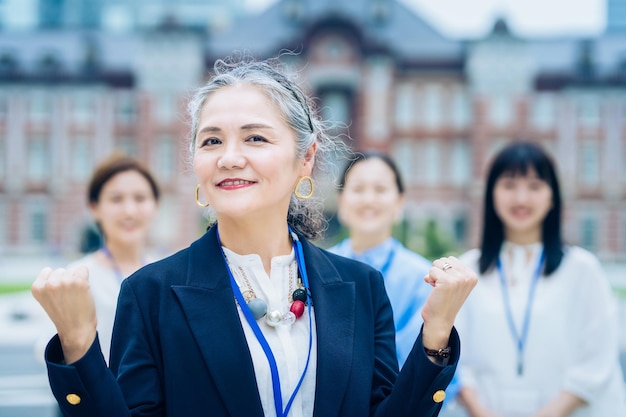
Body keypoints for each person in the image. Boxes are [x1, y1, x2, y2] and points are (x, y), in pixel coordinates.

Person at [31, 56, 477, 417]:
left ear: (306, 159)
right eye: (210, 142)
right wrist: (77, 344)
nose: (229, 158)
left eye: (255, 138)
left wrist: (435, 335)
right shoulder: (151, 295)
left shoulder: (360, 287)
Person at [456, 141, 626, 417]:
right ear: (491, 194)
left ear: (552, 197)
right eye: (509, 185)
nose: (521, 199)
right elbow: (454, 356)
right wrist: (478, 410)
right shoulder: (467, 271)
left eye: (535, 186)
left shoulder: (582, 270)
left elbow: (597, 360)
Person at [328, 151, 461, 411]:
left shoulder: (423, 278)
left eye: (380, 189)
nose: (368, 199)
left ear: (399, 202)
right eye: (357, 189)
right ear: (341, 201)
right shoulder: (317, 269)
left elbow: (426, 366)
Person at [35, 151, 160, 364]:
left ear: (154, 205)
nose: (129, 211)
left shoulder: (168, 273)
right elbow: (45, 352)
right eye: (116, 199)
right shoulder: (76, 278)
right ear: (94, 207)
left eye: (140, 198)